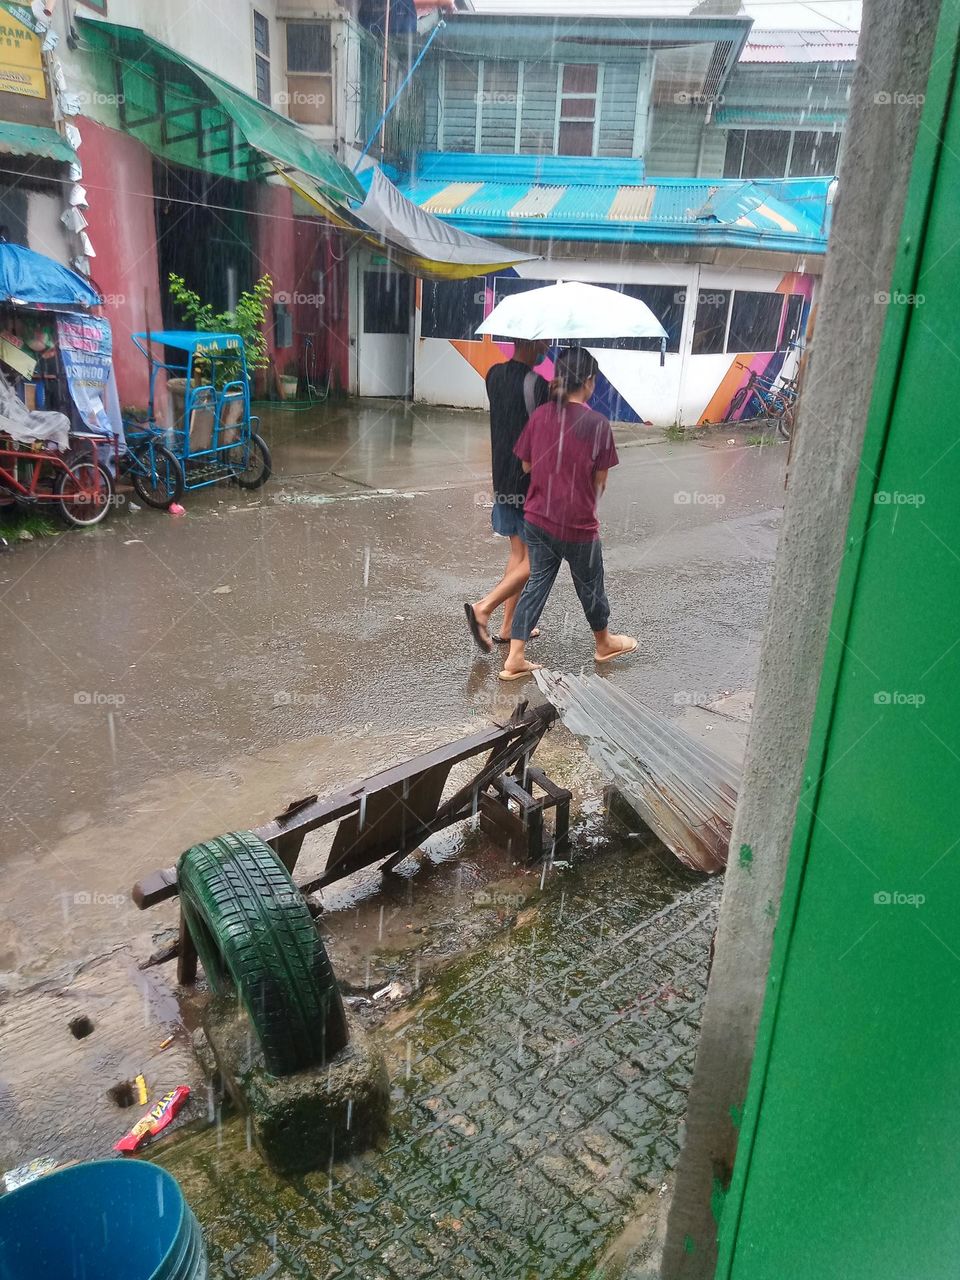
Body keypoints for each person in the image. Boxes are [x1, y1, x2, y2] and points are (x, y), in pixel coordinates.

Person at [499, 346, 637, 681]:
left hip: (537, 518)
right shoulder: (597, 424)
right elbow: (600, 480)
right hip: (577, 523)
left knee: (536, 584)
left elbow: (526, 464)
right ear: (589, 382)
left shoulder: (542, 415)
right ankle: (603, 643)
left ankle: (515, 657)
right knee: (590, 584)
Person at [464, 338, 550, 653]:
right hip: (529, 482)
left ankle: (508, 625)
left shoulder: (494, 374)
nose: (549, 347)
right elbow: (542, 434)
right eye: (545, 342)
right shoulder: (538, 385)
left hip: (502, 477)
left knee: (519, 554)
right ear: (535, 341)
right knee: (541, 557)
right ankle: (483, 608)